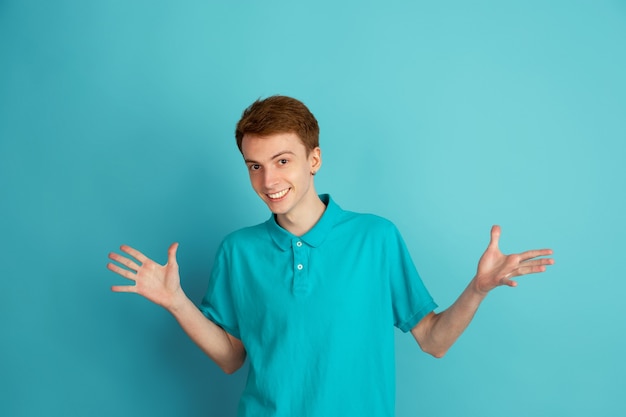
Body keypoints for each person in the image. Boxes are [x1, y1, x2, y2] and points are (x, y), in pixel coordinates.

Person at [107, 95, 554, 417]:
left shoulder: (376, 238)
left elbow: (433, 340)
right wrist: (177, 303)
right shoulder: (238, 251)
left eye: (282, 161)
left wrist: (477, 290)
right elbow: (231, 357)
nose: (268, 180)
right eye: (254, 166)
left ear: (314, 159)